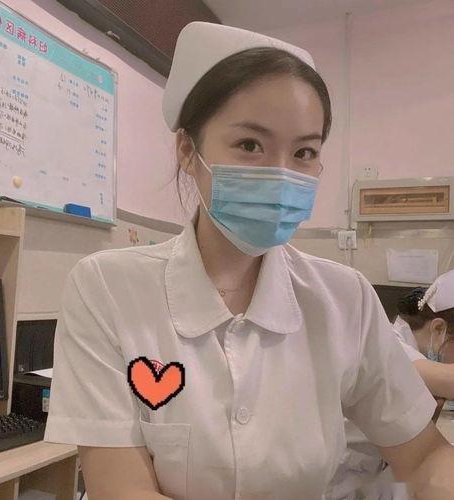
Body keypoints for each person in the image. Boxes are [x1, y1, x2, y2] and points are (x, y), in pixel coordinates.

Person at [44, 21, 454, 500]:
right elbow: (122, 490)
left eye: (304, 152)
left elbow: (423, 456)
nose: (281, 174)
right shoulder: (106, 287)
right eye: (250, 145)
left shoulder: (345, 298)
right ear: (187, 150)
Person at [325, 271, 454, 499]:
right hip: (341, 485)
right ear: (438, 329)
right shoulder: (395, 347)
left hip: (376, 476)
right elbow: (447, 379)